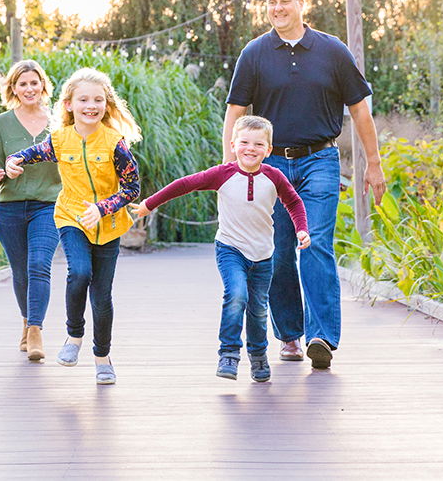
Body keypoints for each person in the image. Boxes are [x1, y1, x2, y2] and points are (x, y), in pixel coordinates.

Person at [223, 0, 386, 370]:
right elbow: (235, 113)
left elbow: (360, 111)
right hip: (270, 166)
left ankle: (322, 337)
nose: (277, 8)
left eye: (284, 1)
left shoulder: (332, 51)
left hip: (320, 161)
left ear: (301, 3)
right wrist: (232, 166)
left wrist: (373, 164)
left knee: (313, 243)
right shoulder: (255, 53)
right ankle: (291, 336)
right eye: (270, 2)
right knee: (277, 253)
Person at [132, 115, 310, 382]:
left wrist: (301, 229)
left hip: (263, 254)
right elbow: (185, 184)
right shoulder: (222, 174)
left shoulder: (275, 177)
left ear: (268, 150)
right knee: (237, 295)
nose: (251, 148)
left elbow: (294, 203)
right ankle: (228, 353)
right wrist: (150, 203)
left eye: (258, 144)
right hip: (230, 248)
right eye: (245, 142)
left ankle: (258, 356)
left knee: (259, 308)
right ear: (233, 144)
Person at [6, 67, 141, 385]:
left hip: (107, 224)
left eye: (97, 100)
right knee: (79, 272)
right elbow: (31, 154)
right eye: (83, 100)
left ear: (106, 105)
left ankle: (102, 357)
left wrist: (102, 207)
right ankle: (74, 336)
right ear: (68, 104)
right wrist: (14, 161)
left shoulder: (114, 144)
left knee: (102, 296)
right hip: (71, 218)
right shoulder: (60, 140)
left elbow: (132, 188)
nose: (90, 106)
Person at [0, 59, 61, 362]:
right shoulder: (1, 122)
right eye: (22, 83)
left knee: (39, 264)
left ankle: (35, 330)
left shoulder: (60, 121)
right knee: (20, 272)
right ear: (13, 88)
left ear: (43, 84)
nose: (29, 88)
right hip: (10, 209)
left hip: (49, 205)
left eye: (34, 82)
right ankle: (27, 323)